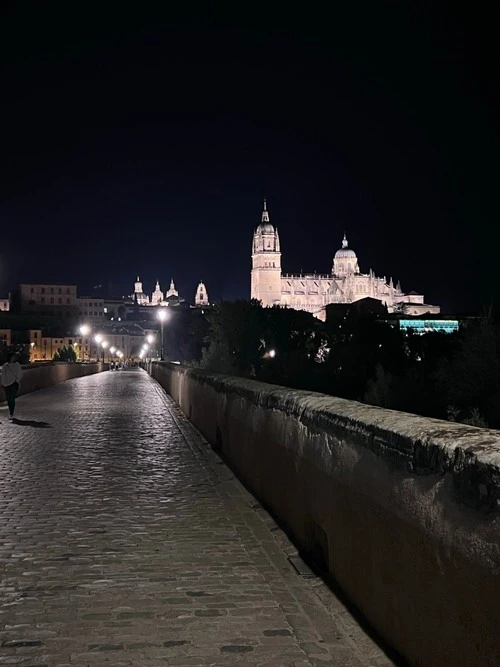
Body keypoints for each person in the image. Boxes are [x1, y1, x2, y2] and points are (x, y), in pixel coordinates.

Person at [1, 353, 23, 421]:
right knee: (8, 399)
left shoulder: (17, 365)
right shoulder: (5, 365)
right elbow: (3, 375)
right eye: (12, 357)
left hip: (14, 383)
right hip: (6, 384)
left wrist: (17, 380)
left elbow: (20, 374)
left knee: (12, 398)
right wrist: (3, 383)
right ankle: (11, 412)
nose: (13, 358)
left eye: (14, 357)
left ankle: (11, 413)